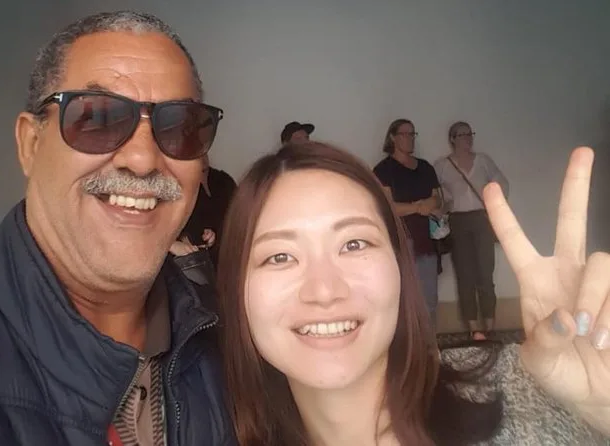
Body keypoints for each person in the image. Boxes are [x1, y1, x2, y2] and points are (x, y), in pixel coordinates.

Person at [0, 11, 235, 446]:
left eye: (178, 127)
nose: (143, 159)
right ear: (30, 145)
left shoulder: (226, 341)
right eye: (98, 119)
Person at [217, 142, 610, 445]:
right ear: (237, 290)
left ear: (399, 267)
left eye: (354, 244)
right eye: (280, 257)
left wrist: (601, 408)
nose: (324, 290)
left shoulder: (525, 403)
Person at [434, 121, 509, 340]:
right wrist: (443, 205)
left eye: (469, 133)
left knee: (485, 274)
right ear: (452, 139)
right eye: (462, 134)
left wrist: (494, 205)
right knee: (465, 276)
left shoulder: (483, 160)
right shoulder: (442, 165)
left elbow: (502, 185)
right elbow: (435, 193)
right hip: (458, 222)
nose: (467, 138)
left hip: (481, 220)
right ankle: (474, 329)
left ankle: (490, 326)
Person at [372, 119, 443, 327]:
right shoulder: (383, 170)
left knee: (429, 298)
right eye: (405, 134)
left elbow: (438, 198)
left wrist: (429, 204)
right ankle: (408, 342)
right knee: (404, 298)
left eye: (412, 134)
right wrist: (417, 207)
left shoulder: (425, 167)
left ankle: (429, 341)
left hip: (426, 240)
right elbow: (386, 207)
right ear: (392, 138)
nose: (410, 138)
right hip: (400, 241)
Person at [171, 154, 237, 268]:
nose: (202, 158)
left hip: (228, 246)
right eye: (197, 155)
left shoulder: (223, 180)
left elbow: (238, 215)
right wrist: (177, 242)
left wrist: (214, 236)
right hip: (198, 256)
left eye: (204, 153)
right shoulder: (181, 186)